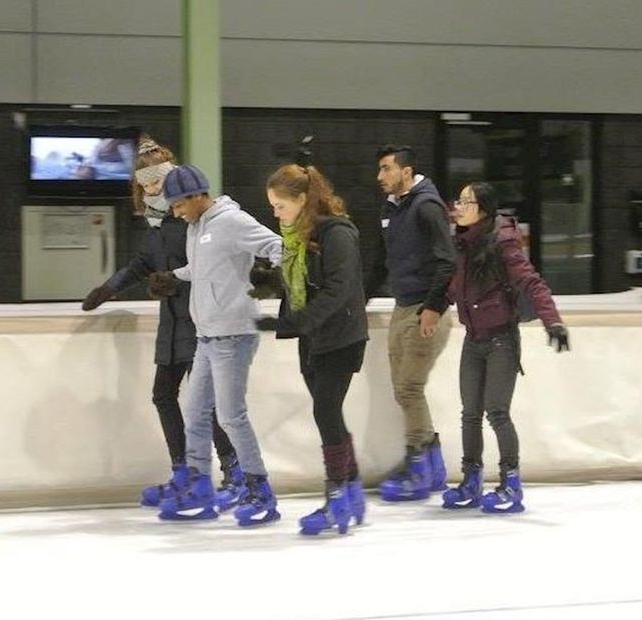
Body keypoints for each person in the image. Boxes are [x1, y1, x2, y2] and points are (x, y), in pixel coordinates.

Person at [80, 137, 246, 512]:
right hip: (172, 326)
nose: (153, 189)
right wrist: (109, 288)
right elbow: (142, 263)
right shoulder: (155, 224)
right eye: (146, 184)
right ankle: (184, 472)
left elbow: (213, 263)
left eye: (158, 181)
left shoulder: (193, 218)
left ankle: (235, 474)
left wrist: (176, 279)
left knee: (210, 404)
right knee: (163, 396)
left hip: (202, 321)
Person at [153, 164, 284, 527]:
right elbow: (202, 269)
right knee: (195, 414)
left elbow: (279, 246)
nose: (177, 213)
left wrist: (271, 276)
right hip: (207, 335)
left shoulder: (230, 221)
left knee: (230, 415)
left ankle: (260, 491)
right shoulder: (198, 228)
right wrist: (173, 278)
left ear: (197, 196)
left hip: (234, 334)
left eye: (179, 205)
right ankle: (200, 489)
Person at [441, 181, 569, 514]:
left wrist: (552, 321)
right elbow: (456, 287)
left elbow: (531, 281)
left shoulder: (503, 242)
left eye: (466, 202)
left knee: (496, 412)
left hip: (501, 340)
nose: (459, 206)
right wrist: (432, 308)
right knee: (470, 414)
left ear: (482, 209)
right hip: (473, 339)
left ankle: (511, 484)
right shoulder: (464, 243)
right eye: (459, 200)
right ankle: (472, 478)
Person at [256, 163, 368, 536]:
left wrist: (294, 322)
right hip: (313, 337)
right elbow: (301, 283)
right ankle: (351, 491)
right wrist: (270, 284)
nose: (275, 213)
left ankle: (337, 497)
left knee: (325, 412)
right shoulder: (297, 235)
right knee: (330, 415)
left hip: (342, 336)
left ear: (302, 199)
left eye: (279, 205)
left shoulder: (338, 233)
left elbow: (338, 290)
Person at [365, 145, 456, 502]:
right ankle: (430, 464)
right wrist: (361, 300)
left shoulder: (426, 206)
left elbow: (447, 261)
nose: (380, 177)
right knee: (402, 387)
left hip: (425, 308)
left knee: (409, 387)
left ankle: (419, 464)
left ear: (406, 171)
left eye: (386, 169)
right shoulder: (391, 208)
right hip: (403, 307)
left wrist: (433, 307)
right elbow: (381, 262)